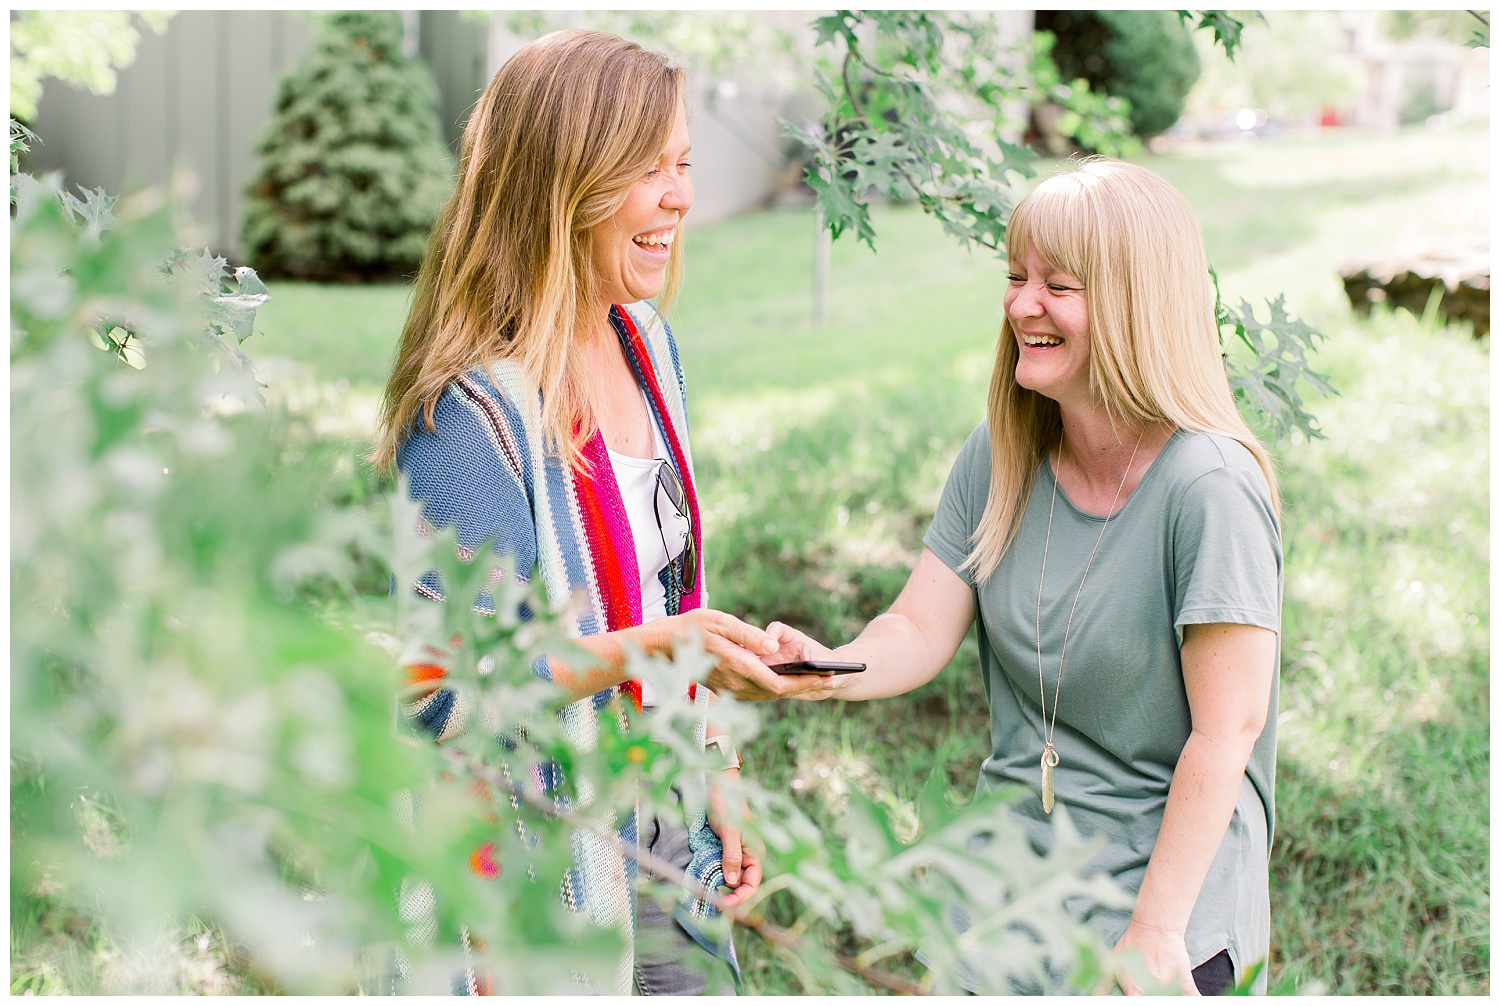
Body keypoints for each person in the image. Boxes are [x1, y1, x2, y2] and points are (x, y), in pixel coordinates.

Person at [758, 158, 1283, 995]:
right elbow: (921, 626)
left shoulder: (1208, 488)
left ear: (1132, 306)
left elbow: (1228, 734)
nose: (1019, 305)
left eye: (1056, 285)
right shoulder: (1003, 452)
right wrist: (829, 667)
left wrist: (1154, 929)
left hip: (1159, 891)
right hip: (1007, 872)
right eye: (1015, 276)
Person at [370, 27, 822, 995]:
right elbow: (450, 693)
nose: (681, 199)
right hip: (553, 871)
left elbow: (673, 583)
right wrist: (651, 649)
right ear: (560, 186)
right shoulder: (470, 420)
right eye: (646, 172)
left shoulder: (646, 346)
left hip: (670, 831)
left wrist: (718, 774)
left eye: (685, 165)